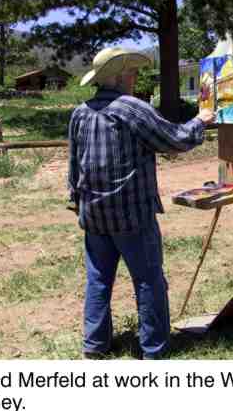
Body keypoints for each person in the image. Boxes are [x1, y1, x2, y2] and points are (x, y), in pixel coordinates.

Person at [68, 47, 215, 359]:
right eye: (132, 72)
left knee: (98, 279)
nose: (135, 77)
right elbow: (174, 139)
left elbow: (73, 165)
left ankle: (94, 346)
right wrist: (201, 121)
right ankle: (154, 350)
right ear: (119, 76)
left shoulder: (80, 112)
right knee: (149, 280)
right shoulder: (131, 108)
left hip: (93, 213)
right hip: (131, 213)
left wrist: (76, 201)